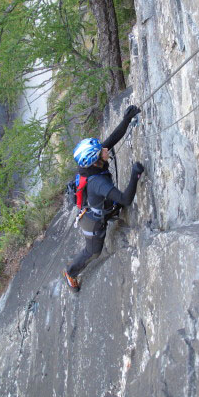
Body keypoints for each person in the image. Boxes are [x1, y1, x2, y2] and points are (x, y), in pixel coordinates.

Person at [63, 105, 144, 292]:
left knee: (96, 247)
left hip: (96, 208)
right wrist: (135, 175)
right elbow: (125, 199)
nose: (106, 149)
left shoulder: (92, 163)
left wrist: (126, 119)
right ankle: (71, 273)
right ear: (96, 160)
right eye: (102, 151)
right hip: (93, 223)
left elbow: (112, 140)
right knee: (94, 252)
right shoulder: (98, 182)